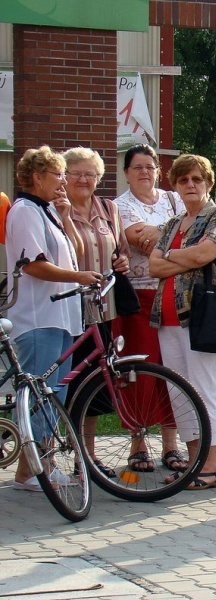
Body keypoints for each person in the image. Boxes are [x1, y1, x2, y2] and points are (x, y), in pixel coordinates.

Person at [6, 146, 101, 491]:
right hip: (38, 316)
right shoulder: (25, 211)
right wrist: (80, 279)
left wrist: (64, 216)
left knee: (53, 393)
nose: (62, 181)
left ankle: (39, 464)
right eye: (58, 174)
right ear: (36, 177)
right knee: (39, 393)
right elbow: (33, 263)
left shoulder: (46, 212)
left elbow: (70, 255)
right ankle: (30, 470)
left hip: (61, 314)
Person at [149, 154, 216, 489]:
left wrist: (169, 256)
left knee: (204, 389)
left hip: (200, 317)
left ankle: (212, 466)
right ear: (176, 185)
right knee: (179, 393)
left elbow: (205, 254)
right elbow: (153, 267)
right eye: (183, 180)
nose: (190, 185)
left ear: (208, 183)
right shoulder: (173, 223)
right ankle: (193, 461)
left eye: (197, 179)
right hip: (166, 318)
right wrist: (178, 257)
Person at [114, 144, 186, 472]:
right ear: (126, 173)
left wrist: (162, 237)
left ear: (158, 170)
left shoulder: (173, 199)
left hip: (170, 295)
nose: (145, 171)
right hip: (138, 300)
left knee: (171, 369)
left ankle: (172, 445)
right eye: (138, 167)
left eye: (150, 166)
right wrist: (174, 235)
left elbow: (191, 234)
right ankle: (138, 444)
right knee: (138, 372)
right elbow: (137, 238)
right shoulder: (120, 207)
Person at [63, 147, 131, 477]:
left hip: (103, 310)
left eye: (90, 174)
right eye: (76, 172)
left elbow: (121, 252)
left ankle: (86, 456)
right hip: (66, 311)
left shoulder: (109, 209)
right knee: (66, 385)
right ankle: (52, 456)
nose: (83, 179)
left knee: (94, 386)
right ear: (63, 176)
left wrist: (122, 262)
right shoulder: (55, 210)